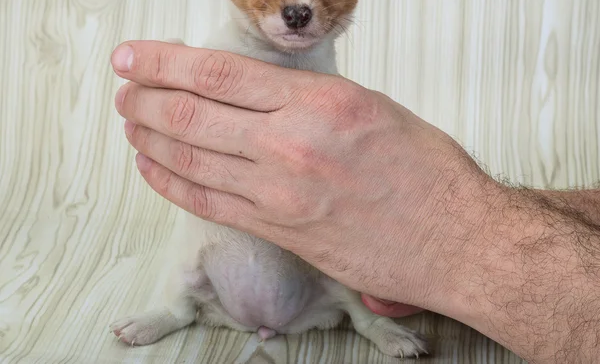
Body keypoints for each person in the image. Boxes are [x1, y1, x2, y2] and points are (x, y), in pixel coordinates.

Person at [111, 41, 600, 364]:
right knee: (199, 234)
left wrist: (450, 230)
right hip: (217, 290)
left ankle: (367, 322)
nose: (297, 3)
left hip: (313, 300)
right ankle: (174, 308)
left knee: (335, 253)